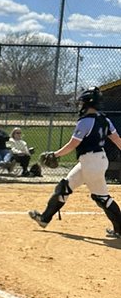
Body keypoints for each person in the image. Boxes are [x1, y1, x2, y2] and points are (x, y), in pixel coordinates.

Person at [29, 87, 121, 238]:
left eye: (82, 102)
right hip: (93, 161)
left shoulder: (84, 122)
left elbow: (73, 145)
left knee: (102, 197)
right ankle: (44, 219)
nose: (80, 105)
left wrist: (54, 154)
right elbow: (117, 140)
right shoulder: (105, 120)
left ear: (88, 103)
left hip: (91, 163)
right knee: (64, 187)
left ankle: (120, 229)